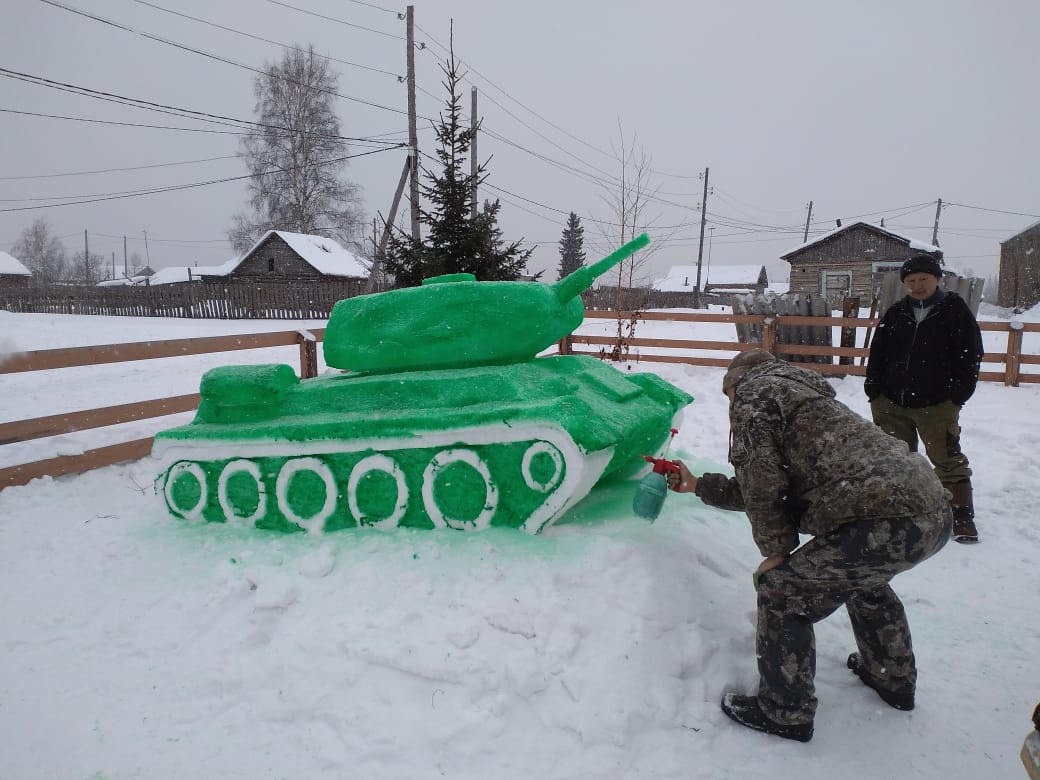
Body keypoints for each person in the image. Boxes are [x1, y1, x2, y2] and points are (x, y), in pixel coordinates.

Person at [669, 349, 951, 742]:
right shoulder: (803, 399)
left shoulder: (754, 396)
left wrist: (777, 554)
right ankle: (892, 677)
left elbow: (764, 485)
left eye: (726, 395)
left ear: (735, 383)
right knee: (862, 578)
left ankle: (785, 711)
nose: (729, 404)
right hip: (931, 510)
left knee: (783, 593)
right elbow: (770, 488)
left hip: (880, 517)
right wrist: (699, 484)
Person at [864, 254, 985, 543]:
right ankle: (901, 511)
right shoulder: (896, 312)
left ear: (937, 279)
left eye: (923, 279)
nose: (917, 286)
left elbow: (970, 356)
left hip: (936, 404)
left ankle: (961, 516)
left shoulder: (955, 311)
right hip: (891, 403)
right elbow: (878, 352)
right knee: (895, 459)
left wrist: (956, 396)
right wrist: (874, 388)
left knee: (947, 458)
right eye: (911, 281)